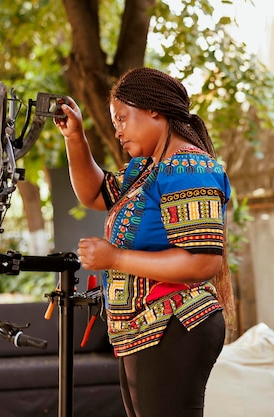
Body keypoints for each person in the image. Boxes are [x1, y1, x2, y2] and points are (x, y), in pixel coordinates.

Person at [54, 66, 234, 417]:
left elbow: (203, 263)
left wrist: (115, 259)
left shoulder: (188, 168)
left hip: (176, 327)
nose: (117, 130)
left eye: (122, 118)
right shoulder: (145, 169)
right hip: (145, 330)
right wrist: (75, 138)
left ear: (154, 109)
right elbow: (93, 192)